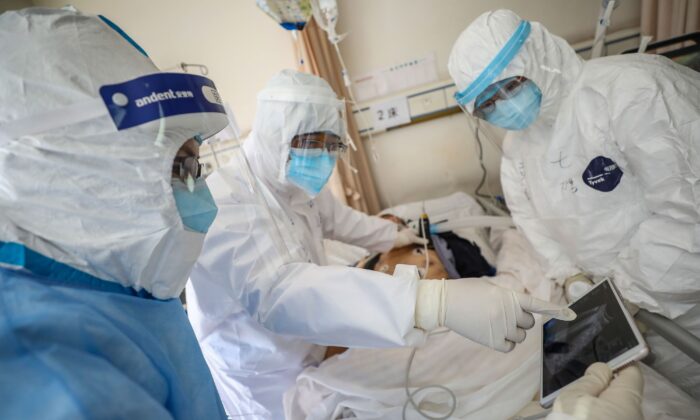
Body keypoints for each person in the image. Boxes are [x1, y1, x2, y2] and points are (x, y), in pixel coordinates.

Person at [186, 69, 571, 418]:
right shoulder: (227, 204)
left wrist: (397, 235)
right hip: (262, 372)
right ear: (275, 135)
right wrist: (432, 302)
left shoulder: (294, 182)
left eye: (331, 144)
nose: (321, 155)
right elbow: (283, 294)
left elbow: (343, 222)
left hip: (320, 352)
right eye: (312, 142)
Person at [448, 9, 700, 397]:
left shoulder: (631, 91)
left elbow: (688, 216)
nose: (504, 105)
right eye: (488, 103)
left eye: (510, 85)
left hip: (685, 304)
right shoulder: (517, 151)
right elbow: (532, 224)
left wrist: (626, 292)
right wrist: (571, 277)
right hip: (628, 318)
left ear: (537, 55)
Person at [0, 8, 229, 418]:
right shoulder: (48, 368)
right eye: (179, 169)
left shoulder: (119, 293)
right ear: (64, 172)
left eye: (196, 169)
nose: (200, 199)